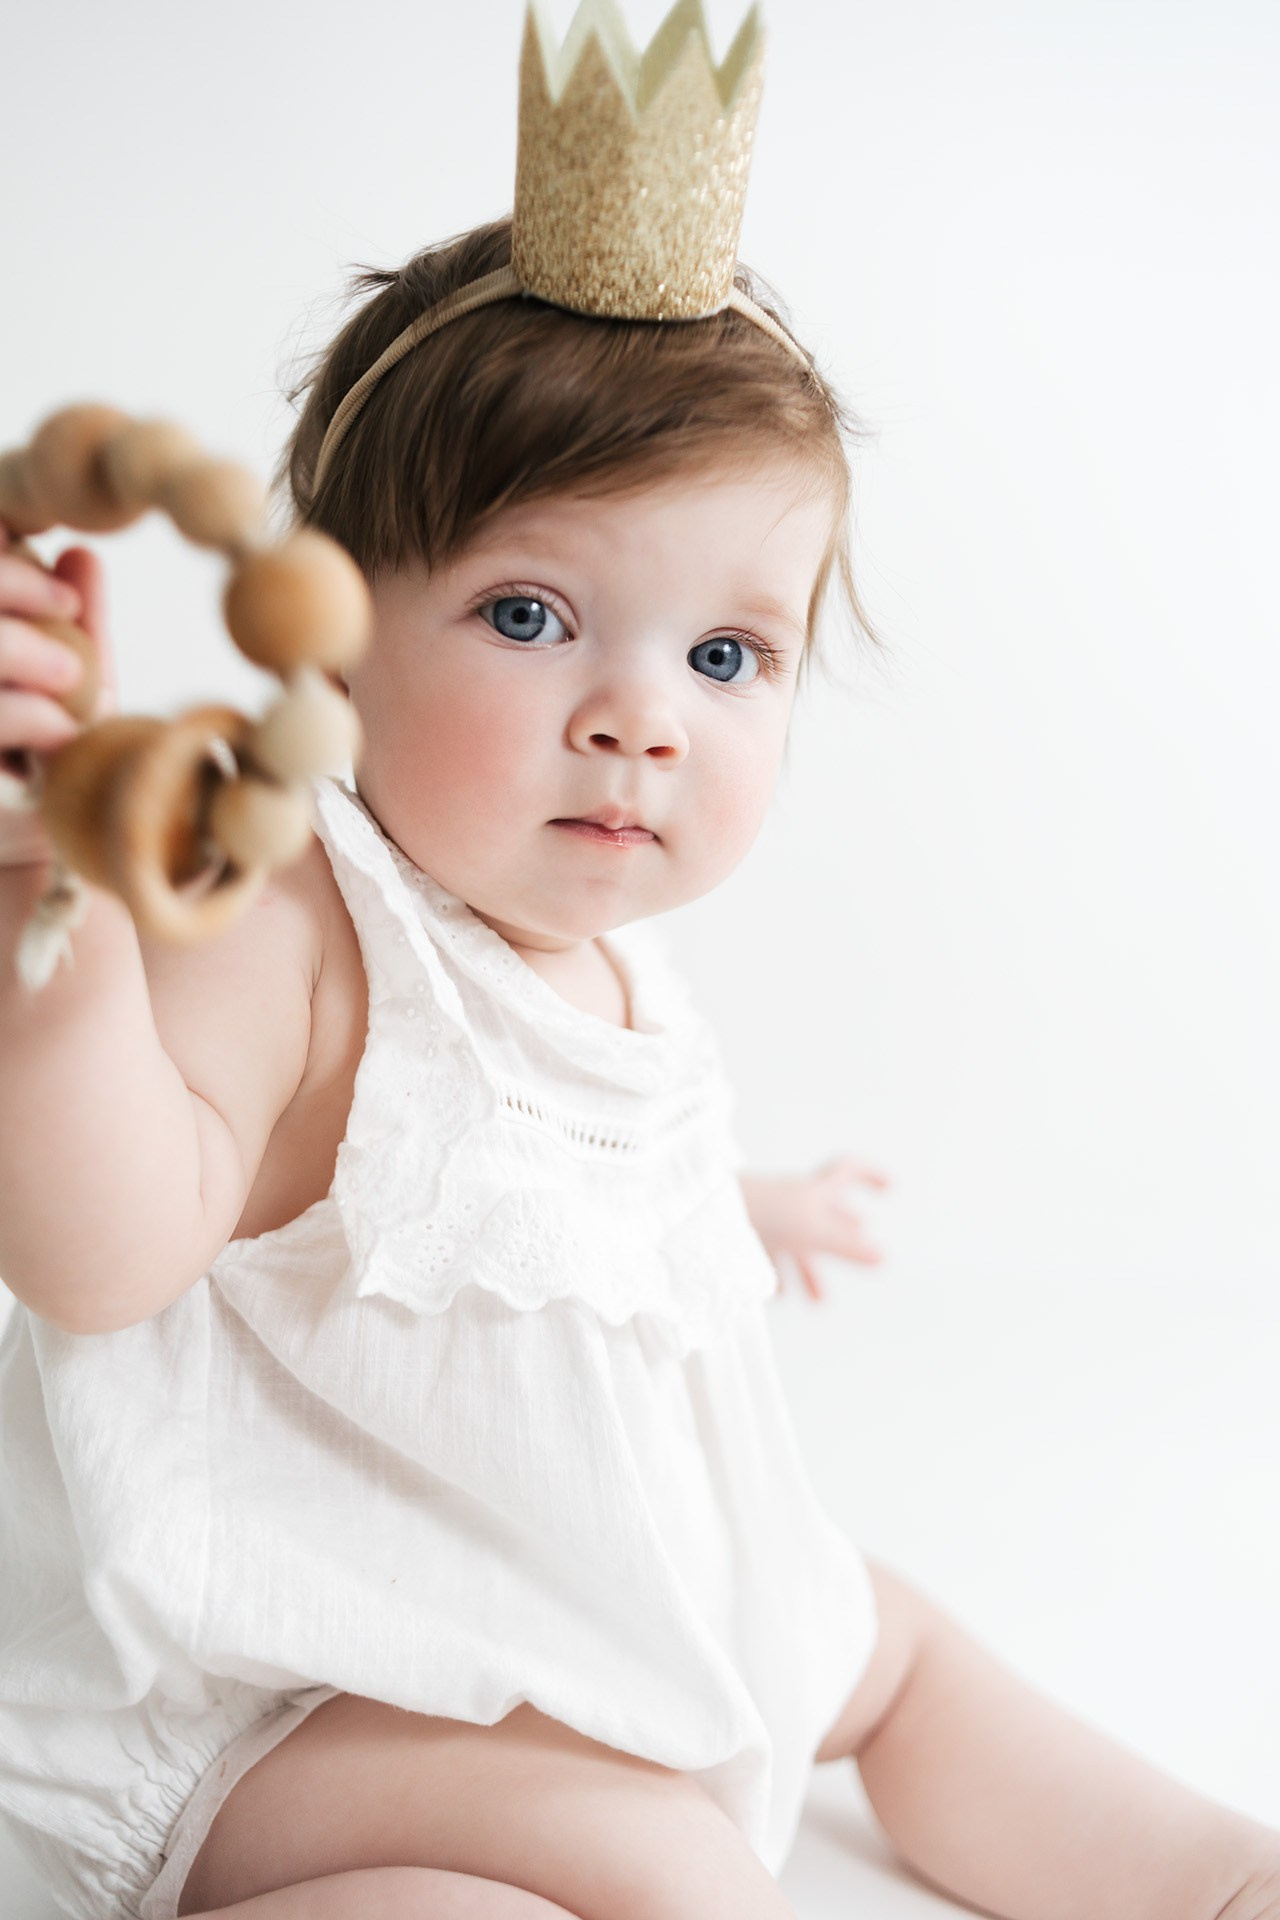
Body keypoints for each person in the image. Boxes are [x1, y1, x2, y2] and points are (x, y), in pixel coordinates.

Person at [2, 13, 1279, 1920]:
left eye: (727, 655)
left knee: (881, 1643)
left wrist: (738, 1206)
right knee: (663, 1865)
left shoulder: (597, 954)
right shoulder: (295, 927)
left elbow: (533, 1203)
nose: (641, 718)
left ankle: (1211, 1882)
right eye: (531, 614)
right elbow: (99, 1252)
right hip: (310, 1686)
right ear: (332, 639)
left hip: (593, 1595)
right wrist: (58, 941)